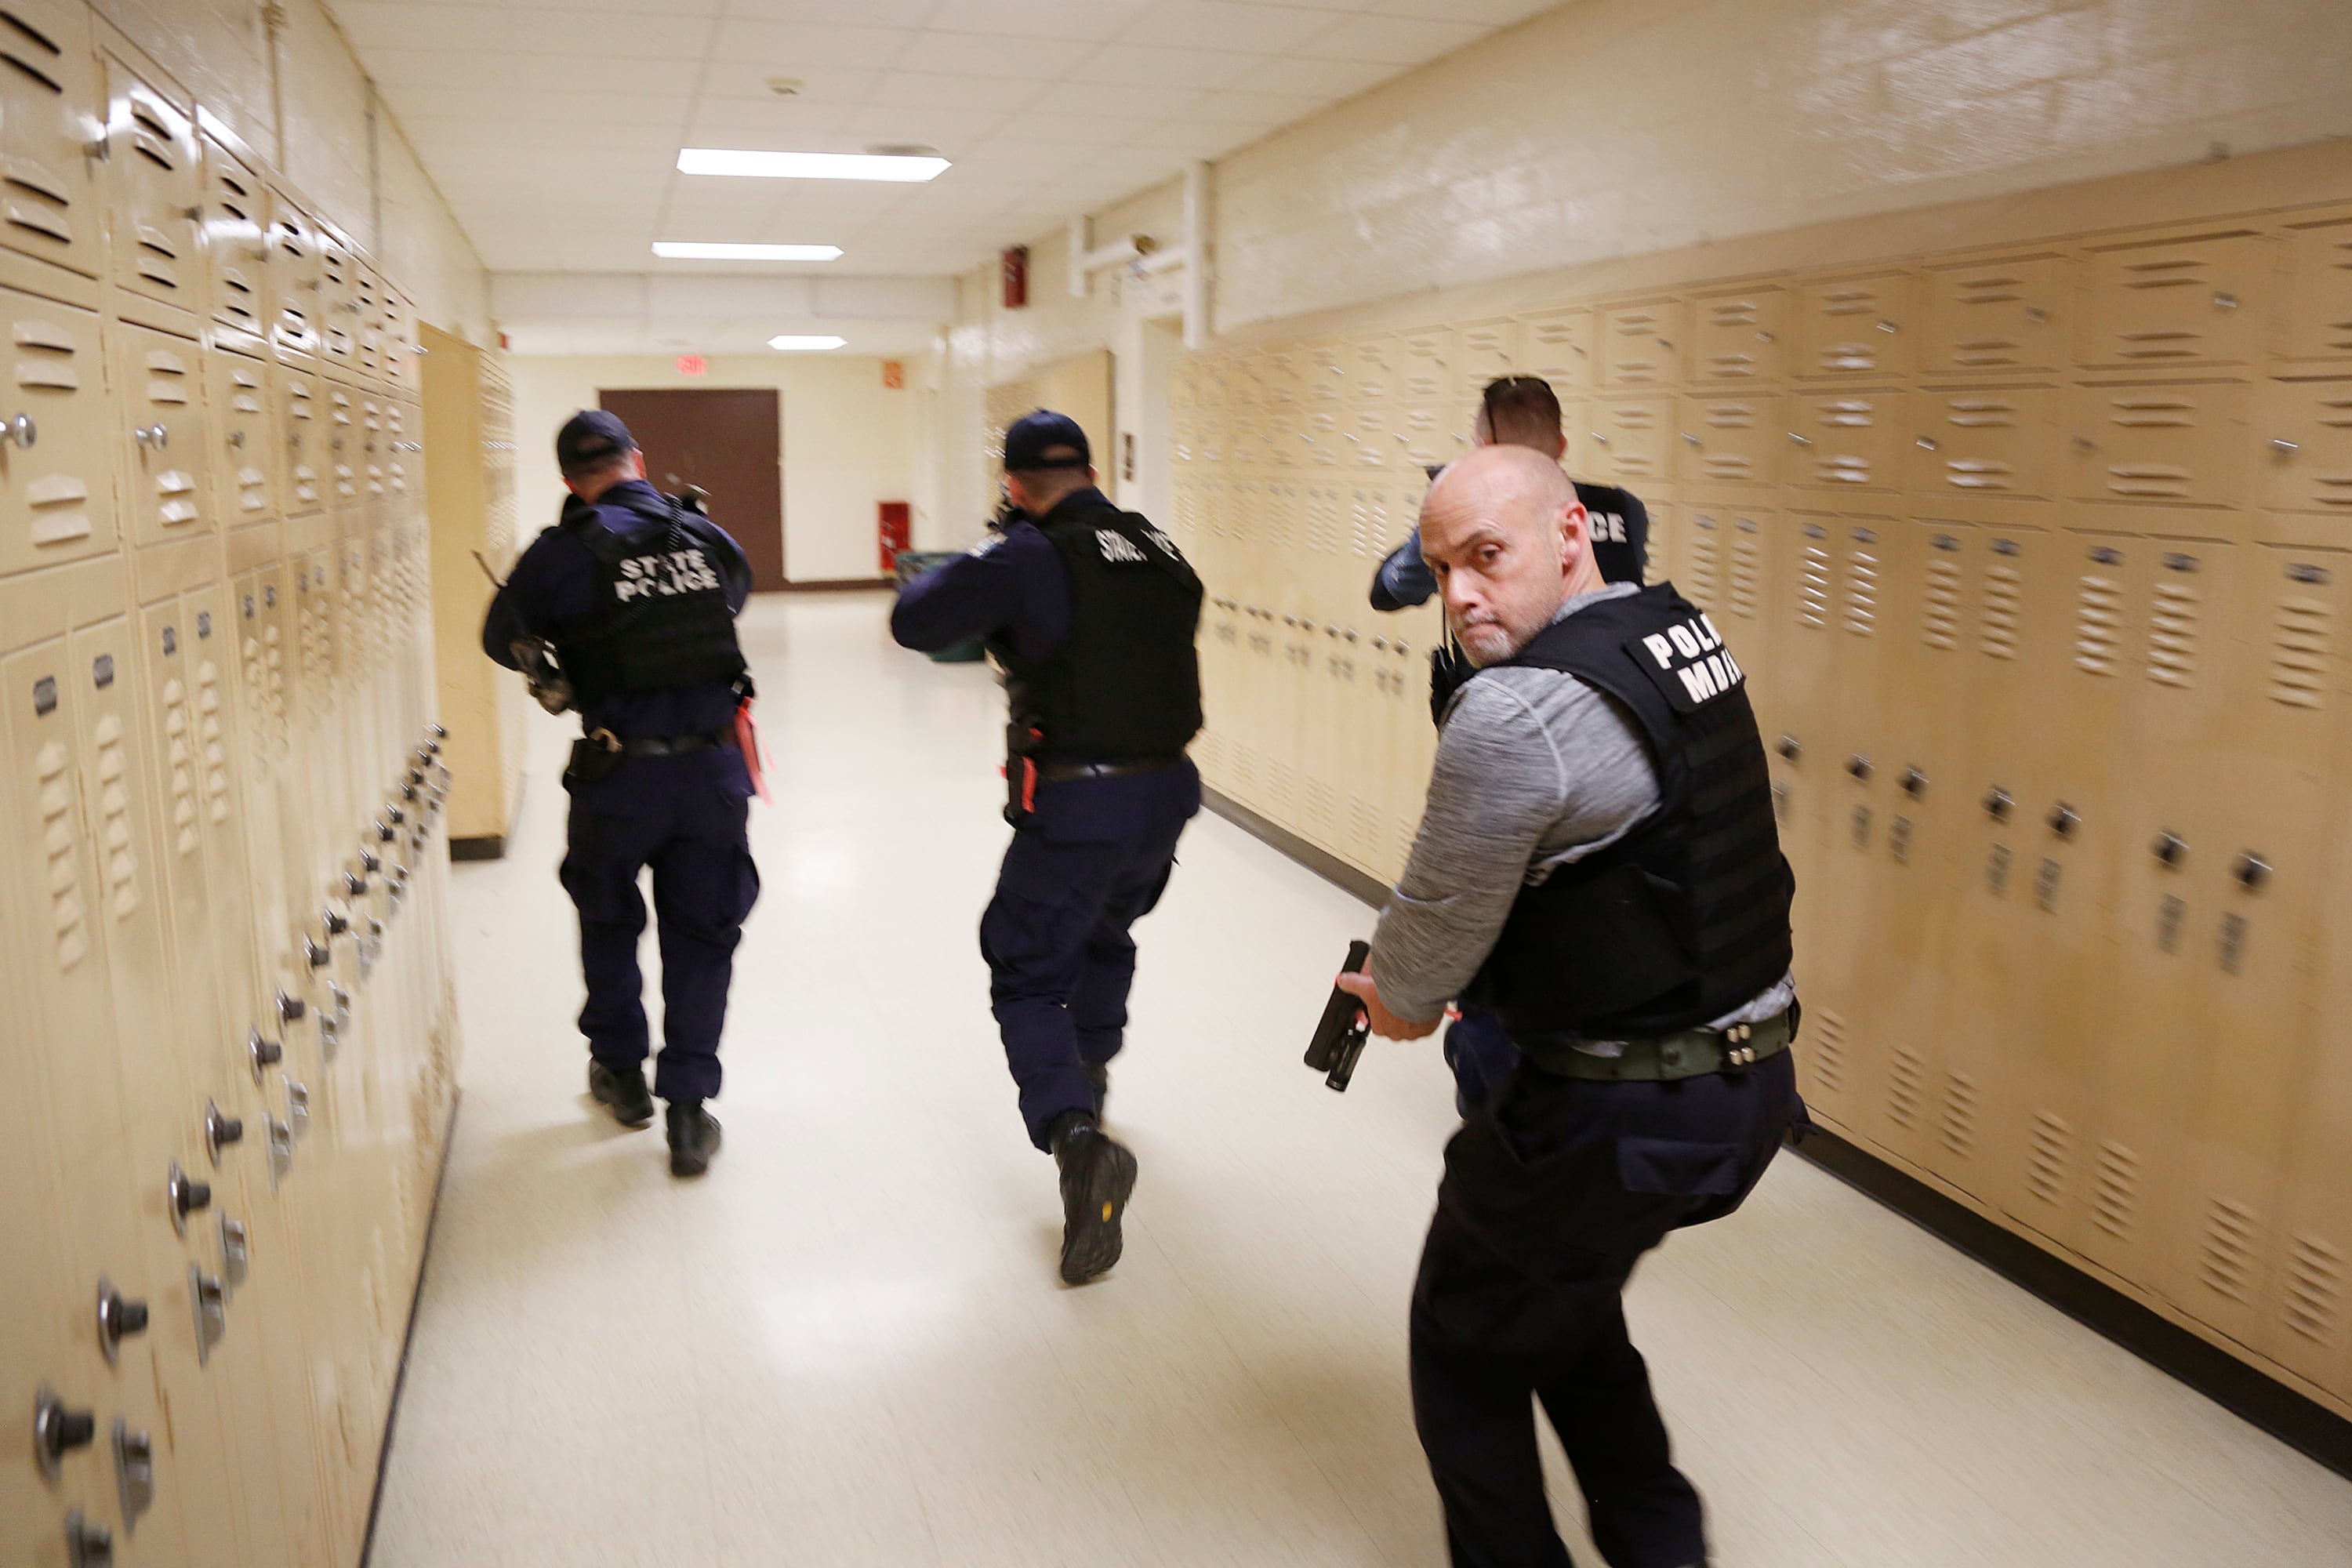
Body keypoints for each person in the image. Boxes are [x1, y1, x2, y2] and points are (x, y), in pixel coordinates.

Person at [1336, 445, 1802, 1568]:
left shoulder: (1518, 713)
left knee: (1462, 1340)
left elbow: (1430, 942)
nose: (1459, 596)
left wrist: (1389, 998)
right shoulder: (1673, 632)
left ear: (1569, 536)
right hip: (1749, 1083)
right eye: (1443, 567)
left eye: (1487, 557)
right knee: (1567, 1313)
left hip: (1613, 1114)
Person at [890, 410, 1203, 1285]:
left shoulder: (1030, 551)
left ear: (1018, 484)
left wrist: (998, 548)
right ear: (1093, 472)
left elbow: (916, 618)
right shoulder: (1156, 545)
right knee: (1107, 933)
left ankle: (1075, 1136)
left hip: (1080, 800)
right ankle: (1093, 1081)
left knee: (1025, 968)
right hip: (1166, 792)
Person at [482, 410, 758, 1177]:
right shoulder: (703, 533)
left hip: (618, 775)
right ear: (638, 459)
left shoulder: (562, 551)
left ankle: (622, 1074)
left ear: (570, 480)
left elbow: (498, 632)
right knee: (702, 936)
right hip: (710, 774)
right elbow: (732, 596)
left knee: (609, 922)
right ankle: (689, 1111)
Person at [1370, 375, 1649, 611]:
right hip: (1615, 670)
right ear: (1562, 446)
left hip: (1516, 673)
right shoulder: (1626, 508)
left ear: (1487, 447)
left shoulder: (1471, 515)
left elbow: (1388, 593)